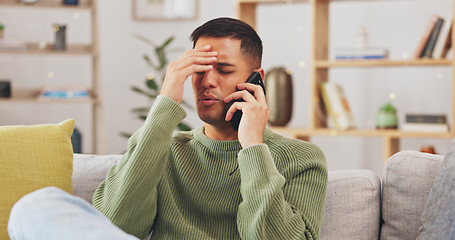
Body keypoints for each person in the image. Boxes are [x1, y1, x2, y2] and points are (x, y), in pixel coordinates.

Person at [8, 17, 327, 240]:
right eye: (199, 70)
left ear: (256, 78)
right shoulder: (167, 147)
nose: (208, 81)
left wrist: (253, 147)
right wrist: (165, 104)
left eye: (224, 70)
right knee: (37, 204)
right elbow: (116, 224)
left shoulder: (302, 158)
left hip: (258, 148)